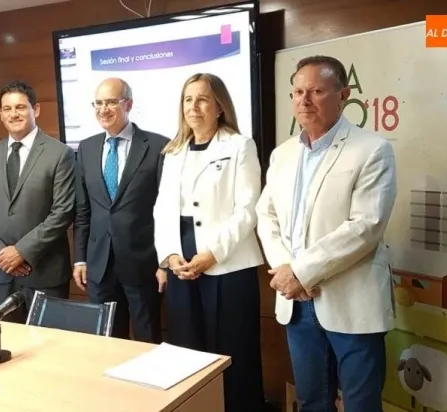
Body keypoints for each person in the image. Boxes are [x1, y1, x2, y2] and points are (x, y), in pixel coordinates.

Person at [256, 55, 397, 412]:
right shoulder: (283, 154)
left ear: (343, 95)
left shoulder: (372, 149)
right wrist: (286, 269)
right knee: (312, 401)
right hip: (296, 302)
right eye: (298, 92)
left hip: (352, 298)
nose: (304, 100)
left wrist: (301, 272)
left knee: (361, 404)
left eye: (316, 91)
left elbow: (365, 226)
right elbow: (265, 214)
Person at [153, 73, 265, 411]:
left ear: (219, 106)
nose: (193, 107)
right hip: (182, 260)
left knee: (233, 352)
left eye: (202, 99)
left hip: (227, 262)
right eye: (188, 100)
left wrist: (213, 254)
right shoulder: (173, 151)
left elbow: (248, 209)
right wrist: (169, 256)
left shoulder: (239, 145)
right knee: (187, 349)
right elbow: (162, 209)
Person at [0, 80, 75, 321]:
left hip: (45, 272)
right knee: (6, 340)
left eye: (20, 107)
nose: (13, 114)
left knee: (48, 341)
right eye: (7, 108)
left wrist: (21, 251)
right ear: (0, 113)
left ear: (35, 109)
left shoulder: (60, 154)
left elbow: (63, 212)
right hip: (1, 272)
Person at [73, 77, 168, 343]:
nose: (103, 110)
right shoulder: (86, 148)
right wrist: (80, 259)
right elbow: (83, 210)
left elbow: (166, 210)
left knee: (147, 340)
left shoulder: (158, 146)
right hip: (99, 266)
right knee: (107, 343)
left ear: (128, 104)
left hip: (143, 264)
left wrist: (164, 262)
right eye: (98, 103)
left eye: (111, 102)